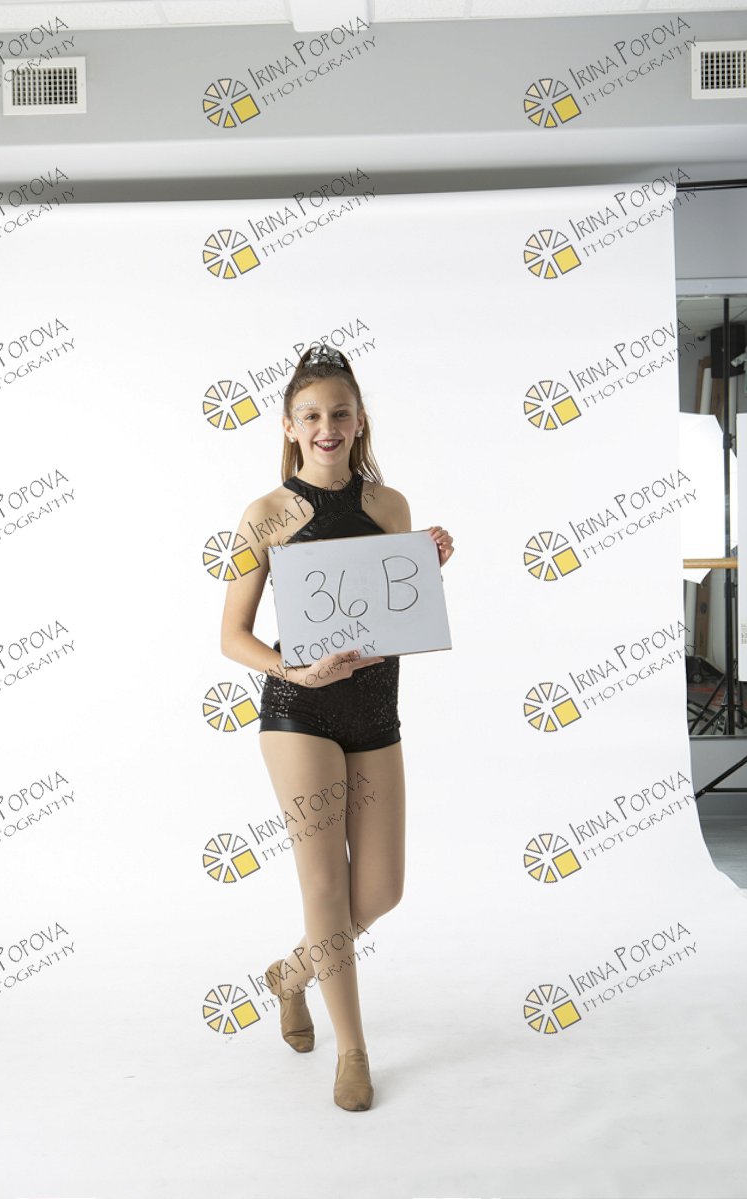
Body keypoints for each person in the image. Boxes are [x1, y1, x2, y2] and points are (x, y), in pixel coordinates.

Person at [220, 343, 454, 1111]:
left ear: (359, 422)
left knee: (380, 890)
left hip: (375, 710)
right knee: (323, 883)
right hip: (300, 710)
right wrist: (293, 672)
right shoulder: (266, 514)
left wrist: (425, 570)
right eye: (312, 414)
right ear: (290, 426)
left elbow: (394, 606)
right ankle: (353, 1048)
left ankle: (290, 974)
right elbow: (232, 635)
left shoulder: (391, 508)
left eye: (341, 413)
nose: (327, 426)